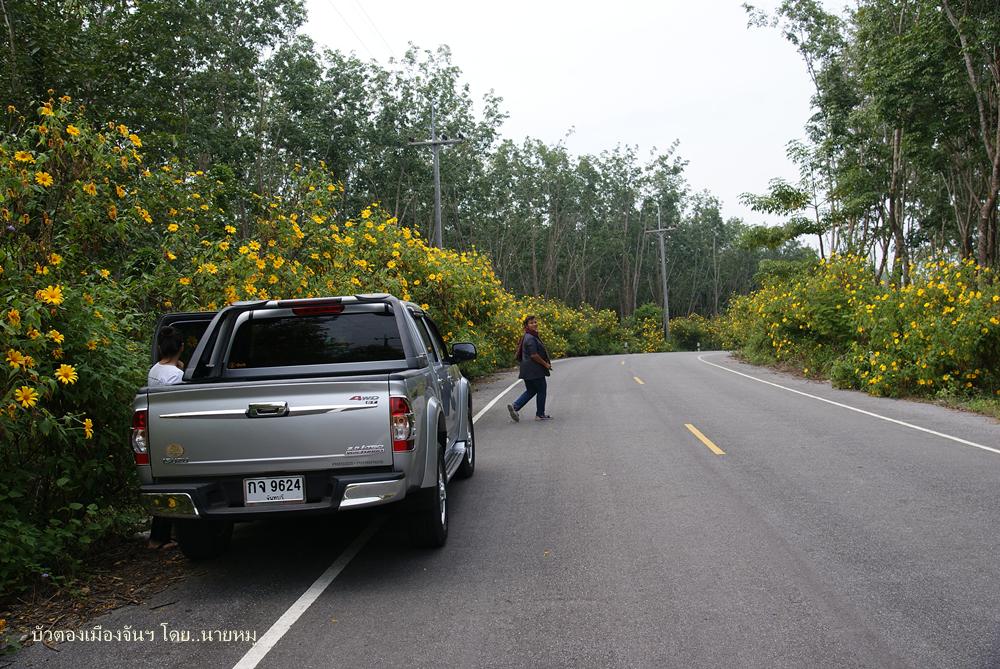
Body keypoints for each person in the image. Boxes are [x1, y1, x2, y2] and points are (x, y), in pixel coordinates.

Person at [146, 326, 185, 549]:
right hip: (174, 433)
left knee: (165, 482)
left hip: (158, 429)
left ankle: (158, 537)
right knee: (176, 484)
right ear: (182, 347)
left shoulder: (155, 370)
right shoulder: (177, 376)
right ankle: (161, 538)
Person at [507, 315, 553, 422]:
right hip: (534, 370)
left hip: (527, 370)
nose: (534, 324)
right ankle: (540, 414)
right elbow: (534, 355)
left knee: (531, 390)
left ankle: (515, 406)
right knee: (541, 390)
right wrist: (545, 364)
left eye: (535, 322)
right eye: (531, 323)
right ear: (526, 326)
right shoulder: (530, 338)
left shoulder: (529, 336)